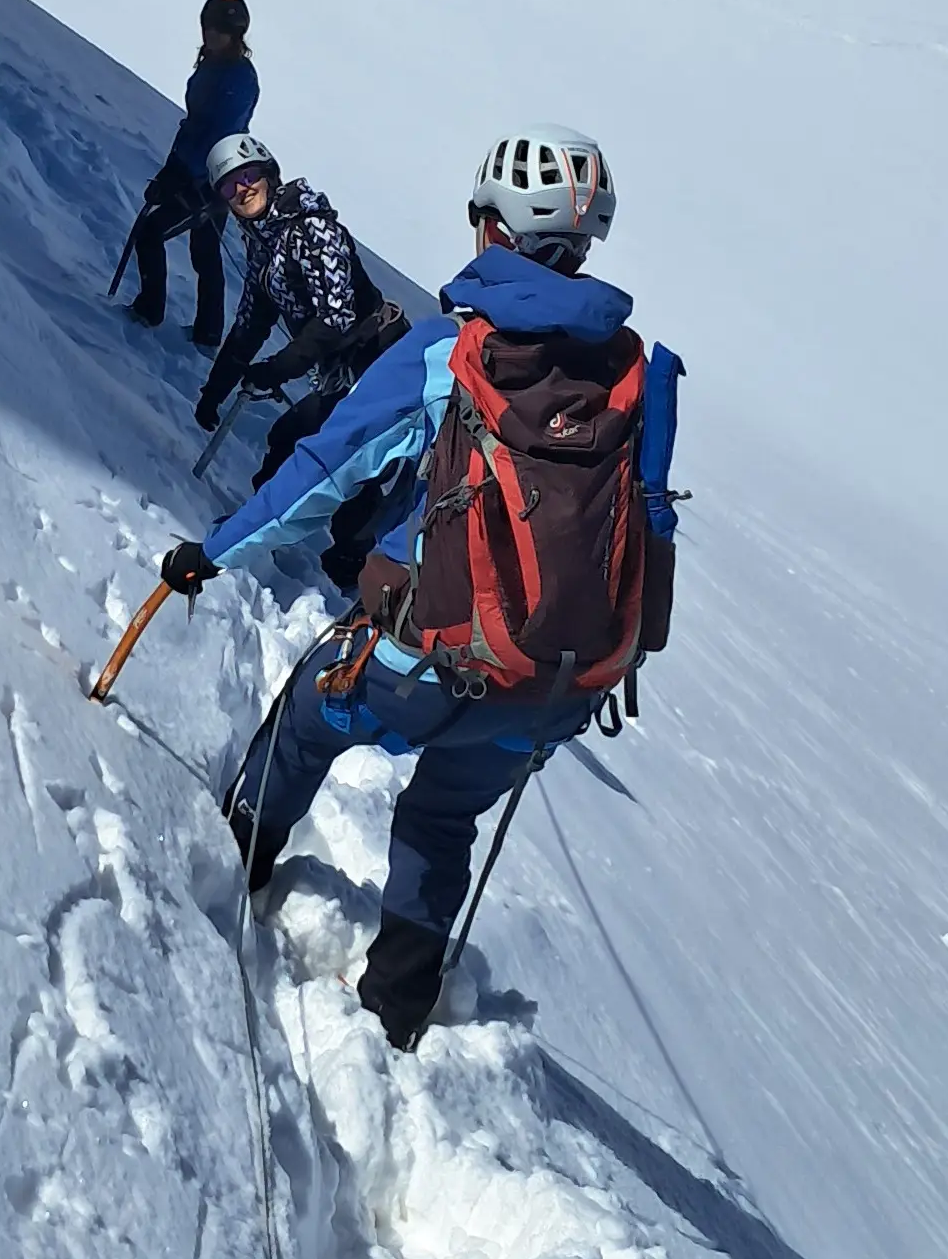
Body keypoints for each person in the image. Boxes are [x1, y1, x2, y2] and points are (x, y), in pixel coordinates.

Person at [159, 123, 682, 1050]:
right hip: (555, 685)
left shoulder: (455, 350)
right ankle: (398, 1010)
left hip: (424, 655)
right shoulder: (641, 378)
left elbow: (324, 472)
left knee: (304, 722)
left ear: (494, 229)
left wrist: (214, 551)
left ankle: (227, 866)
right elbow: (649, 530)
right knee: (443, 814)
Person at [193, 135, 407, 483]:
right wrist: (215, 391)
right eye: (229, 187)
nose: (242, 190)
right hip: (344, 367)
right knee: (290, 442)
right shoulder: (265, 244)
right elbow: (250, 325)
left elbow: (337, 318)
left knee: (358, 464)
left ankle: (272, 530)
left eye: (248, 176)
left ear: (269, 174)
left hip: (381, 356)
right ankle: (258, 528)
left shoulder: (313, 227)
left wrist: (278, 368)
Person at [128, 0, 257, 345]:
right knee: (205, 249)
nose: (212, 35)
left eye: (221, 30)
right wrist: (173, 169)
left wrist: (188, 178)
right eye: (209, 27)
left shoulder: (238, 78)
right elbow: (197, 126)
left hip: (212, 179)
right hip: (210, 174)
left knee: (152, 233)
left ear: (236, 34)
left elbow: (218, 132)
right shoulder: (214, 64)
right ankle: (209, 331)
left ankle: (149, 310)